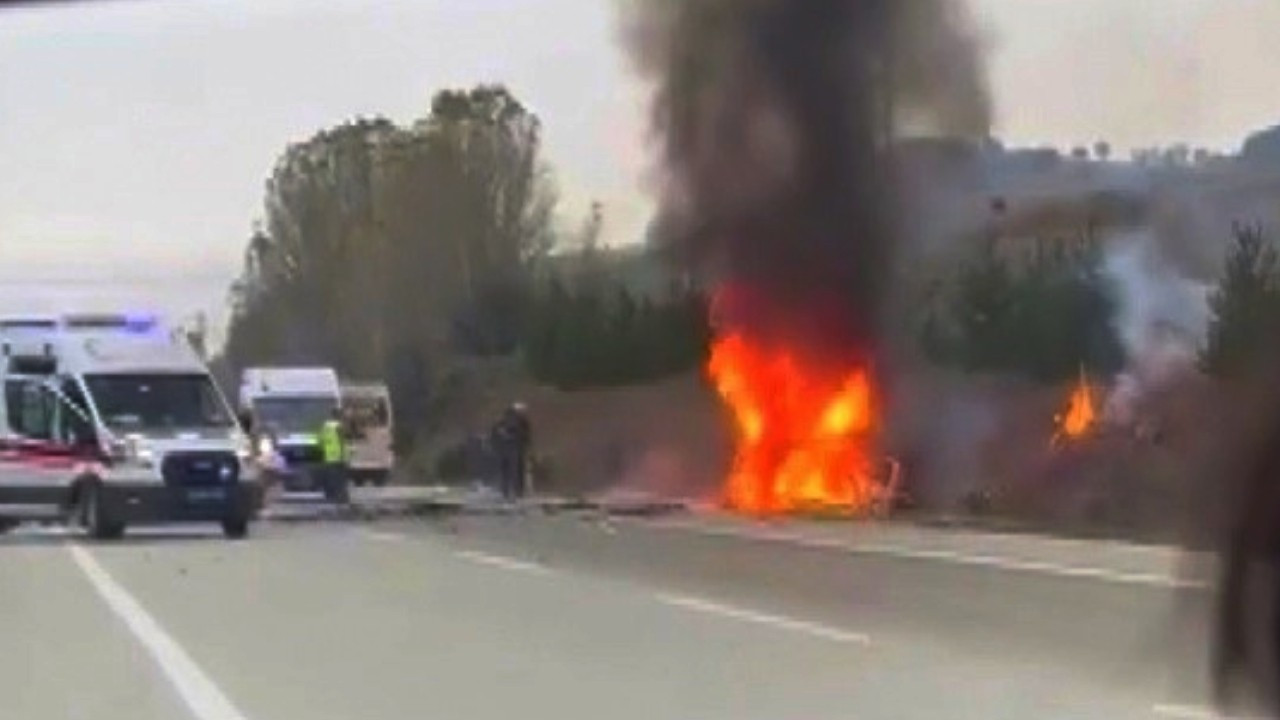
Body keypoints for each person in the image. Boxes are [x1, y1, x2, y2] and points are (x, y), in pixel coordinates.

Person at [318, 407, 350, 504]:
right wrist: (345, 458)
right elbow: (342, 443)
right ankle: (341, 498)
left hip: (328, 457)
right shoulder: (339, 427)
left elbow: (320, 441)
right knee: (341, 480)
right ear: (338, 416)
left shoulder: (325, 426)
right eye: (342, 415)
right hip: (339, 457)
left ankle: (331, 496)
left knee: (331, 479)